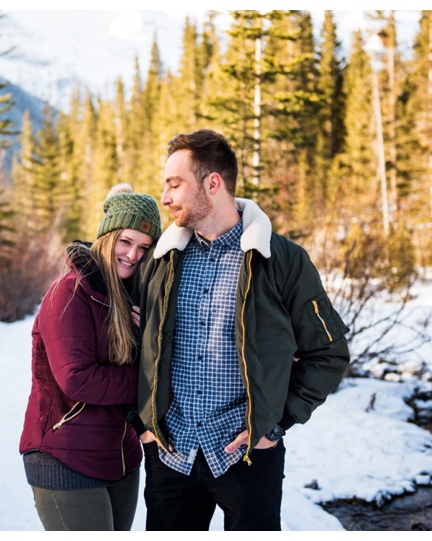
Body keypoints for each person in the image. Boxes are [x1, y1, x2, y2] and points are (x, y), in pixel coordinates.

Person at [130, 129, 351, 531]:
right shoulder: (161, 262)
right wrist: (143, 422)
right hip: (171, 454)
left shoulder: (282, 260)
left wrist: (276, 423)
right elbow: (130, 345)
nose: (165, 198)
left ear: (213, 183)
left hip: (247, 458)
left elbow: (328, 353)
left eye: (175, 184)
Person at [19, 183, 162, 531]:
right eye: (125, 242)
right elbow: (77, 378)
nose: (133, 255)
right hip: (64, 457)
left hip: (121, 458)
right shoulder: (69, 293)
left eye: (144, 247)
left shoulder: (134, 296)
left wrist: (151, 338)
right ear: (106, 236)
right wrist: (153, 382)